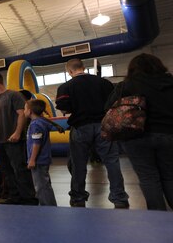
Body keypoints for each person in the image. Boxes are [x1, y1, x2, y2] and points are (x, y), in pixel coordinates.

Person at [54, 58, 128, 208]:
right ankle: (119, 198)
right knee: (112, 162)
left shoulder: (66, 87)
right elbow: (114, 103)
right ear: (83, 67)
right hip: (103, 125)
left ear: (69, 71)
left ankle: (78, 197)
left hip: (81, 127)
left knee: (78, 164)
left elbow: (64, 108)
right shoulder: (104, 83)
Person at [106, 53, 173, 210]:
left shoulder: (127, 85)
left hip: (136, 137)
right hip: (169, 135)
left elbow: (108, 106)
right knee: (170, 176)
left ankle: (158, 217)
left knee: (148, 177)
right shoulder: (170, 82)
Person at [0, 71, 38, 205]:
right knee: (6, 171)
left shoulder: (14, 95)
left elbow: (21, 114)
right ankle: (15, 197)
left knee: (20, 169)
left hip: (13, 141)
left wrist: (18, 133)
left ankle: (29, 198)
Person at [25, 99, 57, 206]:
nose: (24, 111)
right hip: (43, 159)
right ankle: (48, 205)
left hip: (39, 161)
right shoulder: (42, 122)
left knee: (41, 187)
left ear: (30, 111)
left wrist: (32, 159)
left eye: (25, 109)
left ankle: (48, 207)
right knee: (44, 184)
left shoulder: (36, 124)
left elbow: (36, 143)